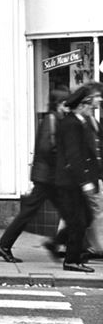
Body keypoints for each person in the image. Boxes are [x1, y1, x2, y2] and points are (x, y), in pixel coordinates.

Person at [0, 88, 69, 263]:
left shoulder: (56, 119)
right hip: (46, 179)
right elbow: (47, 149)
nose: (68, 108)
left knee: (68, 213)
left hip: (49, 178)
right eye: (66, 105)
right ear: (59, 104)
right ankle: (4, 246)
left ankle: (58, 244)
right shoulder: (51, 119)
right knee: (29, 213)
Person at [51, 83, 102, 272]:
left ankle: (70, 250)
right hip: (70, 182)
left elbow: (90, 153)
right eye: (90, 106)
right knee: (78, 221)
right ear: (82, 105)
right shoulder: (71, 124)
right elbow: (74, 157)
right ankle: (72, 260)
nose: (93, 109)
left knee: (86, 218)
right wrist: (85, 182)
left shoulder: (82, 121)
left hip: (78, 181)